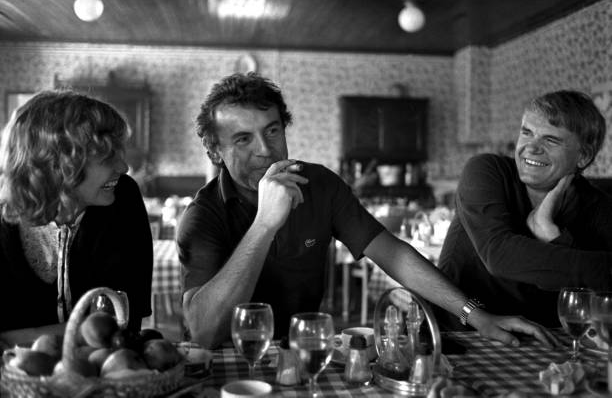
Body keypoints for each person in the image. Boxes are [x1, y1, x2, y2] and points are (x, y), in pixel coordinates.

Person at [178, 72, 555, 349]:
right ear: (214, 152)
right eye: (243, 139)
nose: (265, 149)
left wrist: (476, 315)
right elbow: (204, 332)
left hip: (301, 353)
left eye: (273, 130)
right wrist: (264, 225)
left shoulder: (319, 184)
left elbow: (392, 254)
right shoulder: (203, 214)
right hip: (221, 363)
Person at [437, 90, 612, 329]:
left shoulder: (597, 207)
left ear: (583, 156)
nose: (531, 147)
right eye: (526, 133)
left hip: (544, 344)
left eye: (551, 140)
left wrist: (552, 236)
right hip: (461, 331)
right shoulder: (487, 171)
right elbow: (499, 255)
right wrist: (575, 255)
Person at [0, 90, 153, 348]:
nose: (123, 167)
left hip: (103, 375)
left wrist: (26, 335)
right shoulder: (4, 219)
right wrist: (86, 330)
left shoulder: (123, 197)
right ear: (57, 163)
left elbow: (124, 323)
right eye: (107, 157)